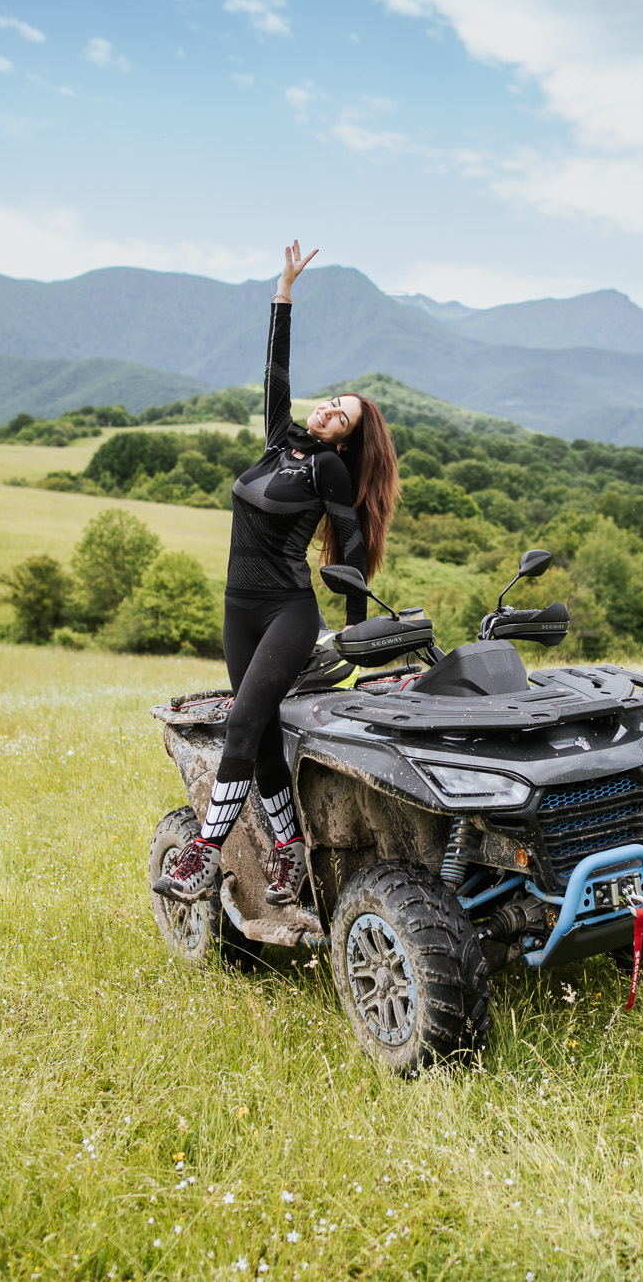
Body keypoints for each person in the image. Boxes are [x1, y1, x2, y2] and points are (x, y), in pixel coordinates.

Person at [153, 241, 399, 907]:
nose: (328, 411)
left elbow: (351, 542)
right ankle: (291, 853)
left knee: (241, 721)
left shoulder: (329, 468)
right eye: (332, 402)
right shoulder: (276, 441)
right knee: (260, 740)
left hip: (287, 612)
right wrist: (283, 293)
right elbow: (275, 372)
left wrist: (356, 629)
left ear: (345, 439)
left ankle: (203, 854)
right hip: (239, 609)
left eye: (342, 417)